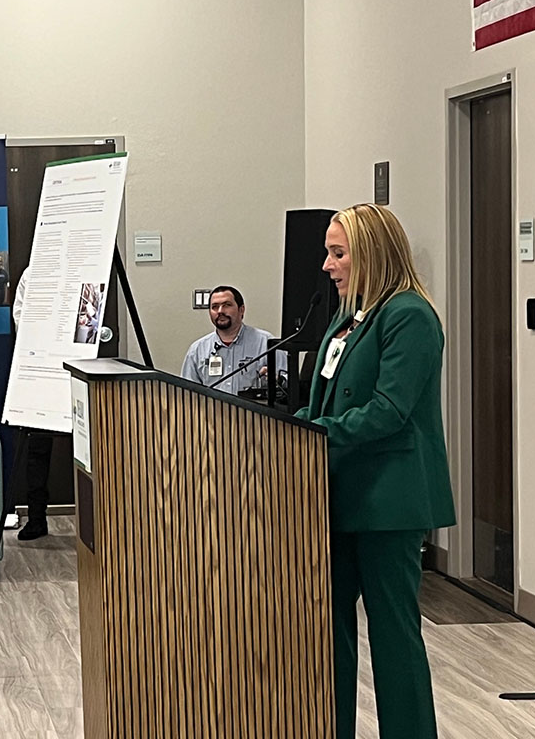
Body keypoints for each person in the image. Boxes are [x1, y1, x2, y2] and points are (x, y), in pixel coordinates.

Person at [298, 203, 454, 739]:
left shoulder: (409, 315)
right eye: (328, 253)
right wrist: (293, 429)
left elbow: (390, 410)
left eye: (338, 254)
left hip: (388, 503)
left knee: (393, 636)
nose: (327, 265)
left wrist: (314, 433)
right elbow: (325, 399)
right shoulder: (350, 316)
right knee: (329, 633)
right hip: (339, 497)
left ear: (371, 254)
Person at [180, 285, 283, 395]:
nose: (220, 311)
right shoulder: (197, 350)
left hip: (252, 406)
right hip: (211, 406)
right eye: (214, 307)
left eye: (227, 305)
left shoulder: (266, 343)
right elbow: (187, 393)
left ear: (241, 310)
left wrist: (278, 379)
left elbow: (288, 381)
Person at [11, 266, 52, 540]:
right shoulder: (32, 274)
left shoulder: (87, 267)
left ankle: (96, 521)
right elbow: (20, 319)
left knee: (87, 449)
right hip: (41, 367)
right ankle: (37, 518)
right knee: (37, 448)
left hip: (79, 366)